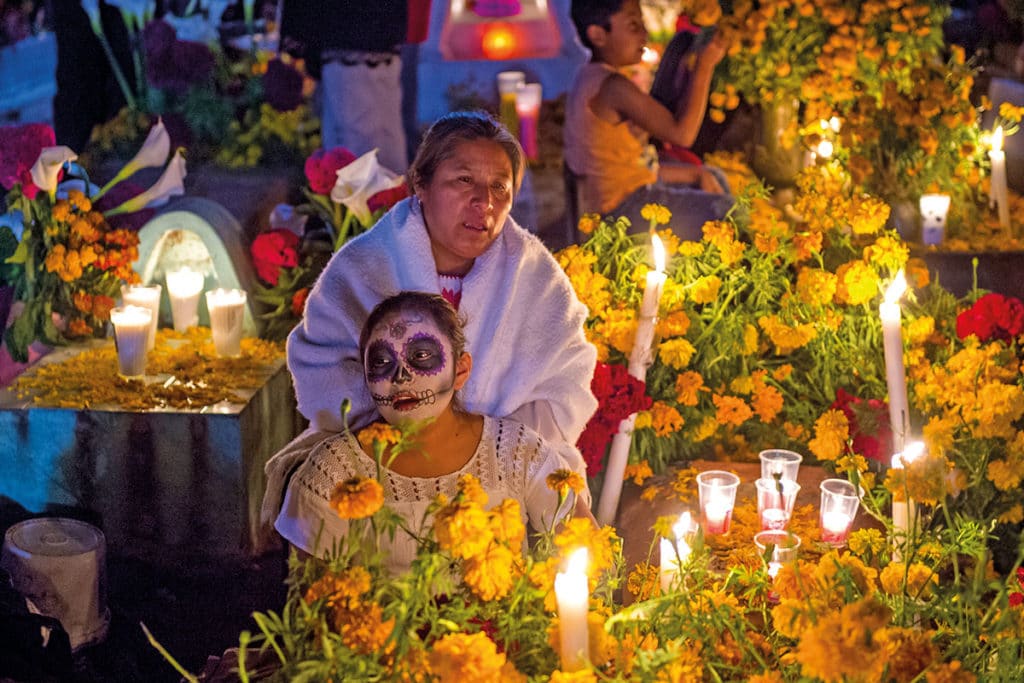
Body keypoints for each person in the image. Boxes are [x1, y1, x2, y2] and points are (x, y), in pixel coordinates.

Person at [262, 111, 598, 525]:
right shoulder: (363, 266)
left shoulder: (536, 277)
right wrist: (416, 433)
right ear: (420, 183)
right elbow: (323, 374)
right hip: (383, 462)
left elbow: (565, 386)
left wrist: (484, 449)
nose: (484, 202)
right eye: (463, 180)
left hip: (505, 473)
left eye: (499, 187)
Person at [275, 292, 595, 573]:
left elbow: (590, 554)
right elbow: (312, 611)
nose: (401, 377)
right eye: (382, 362)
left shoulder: (517, 452)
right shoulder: (332, 473)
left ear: (462, 370)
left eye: (422, 357)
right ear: (364, 375)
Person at [565, 0, 733, 240]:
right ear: (598, 35)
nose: (644, 33)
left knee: (712, 176)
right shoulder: (613, 87)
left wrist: (696, 175)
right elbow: (683, 135)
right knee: (727, 213)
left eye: (643, 23)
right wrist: (704, 66)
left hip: (628, 194)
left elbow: (637, 167)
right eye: (634, 26)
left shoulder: (593, 76)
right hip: (620, 213)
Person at [279, 0, 410, 173]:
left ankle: (379, 196)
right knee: (384, 140)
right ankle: (389, 195)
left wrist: (296, 36)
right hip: (378, 33)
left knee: (356, 148)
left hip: (347, 34)